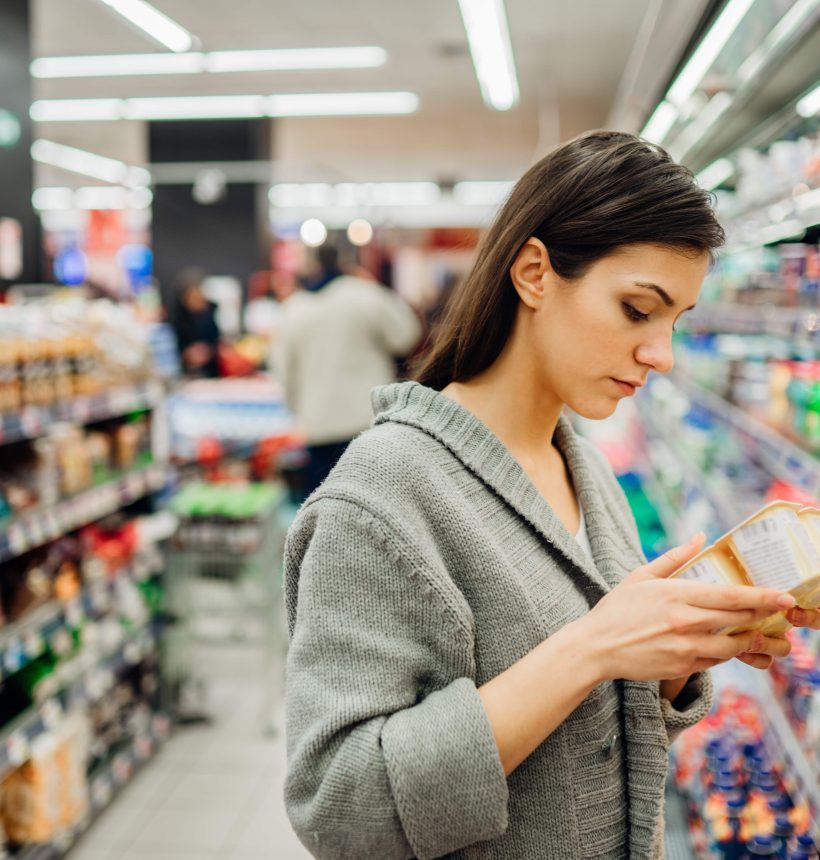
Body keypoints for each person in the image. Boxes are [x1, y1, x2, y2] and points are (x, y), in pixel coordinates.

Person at [282, 131, 820, 860]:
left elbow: (584, 746)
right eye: (638, 310)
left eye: (675, 321)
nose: (660, 354)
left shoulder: (584, 469)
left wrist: (673, 658)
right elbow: (341, 813)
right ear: (535, 272)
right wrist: (593, 647)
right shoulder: (380, 497)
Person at [276, 252, 421, 496]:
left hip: (318, 422)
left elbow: (283, 369)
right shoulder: (366, 295)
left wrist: (296, 410)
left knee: (323, 507)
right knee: (375, 503)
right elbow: (406, 335)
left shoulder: (293, 309)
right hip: (368, 418)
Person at [172, 268, 221, 378]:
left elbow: (218, 342)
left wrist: (210, 351)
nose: (197, 300)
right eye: (193, 297)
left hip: (211, 372)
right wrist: (186, 355)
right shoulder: (177, 320)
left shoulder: (212, 315)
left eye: (199, 295)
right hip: (185, 374)